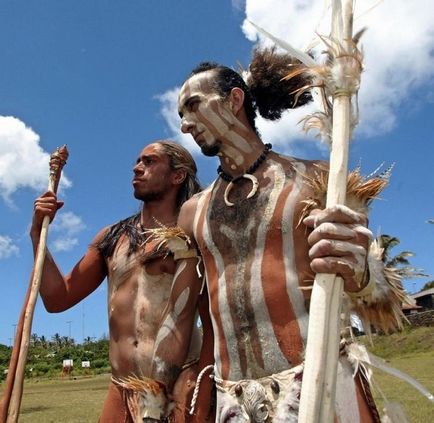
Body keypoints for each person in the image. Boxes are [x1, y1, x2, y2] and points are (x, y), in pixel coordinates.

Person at [150, 49, 406, 422]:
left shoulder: (316, 180)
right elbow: (179, 314)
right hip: (233, 401)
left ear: (234, 100)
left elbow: (380, 297)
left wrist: (362, 269)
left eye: (193, 105)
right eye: (181, 115)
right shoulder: (192, 213)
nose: (185, 124)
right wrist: (155, 398)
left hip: (321, 388)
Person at [31, 140, 206, 422]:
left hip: (181, 380)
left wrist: (203, 379)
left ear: (178, 175)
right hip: (122, 387)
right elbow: (57, 298)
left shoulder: (192, 236)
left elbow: (214, 317)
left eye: (149, 162)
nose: (137, 168)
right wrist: (37, 233)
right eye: (138, 161)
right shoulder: (112, 238)